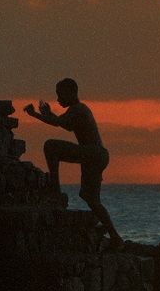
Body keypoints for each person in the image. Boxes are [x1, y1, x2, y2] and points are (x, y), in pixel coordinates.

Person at [25, 78, 124, 250]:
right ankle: (115, 237)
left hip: (92, 153)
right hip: (97, 155)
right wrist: (48, 114)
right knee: (90, 198)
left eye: (60, 94)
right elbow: (65, 125)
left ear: (71, 92)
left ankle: (55, 189)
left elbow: (58, 123)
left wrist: (35, 114)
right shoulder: (78, 110)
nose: (58, 99)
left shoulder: (78, 109)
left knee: (50, 146)